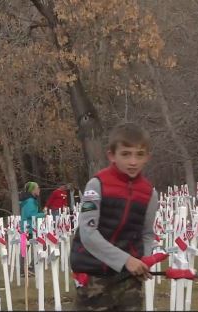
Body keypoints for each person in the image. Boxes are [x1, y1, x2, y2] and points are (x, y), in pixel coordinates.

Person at [70, 122, 159, 311]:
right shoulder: (97, 185)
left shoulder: (149, 194)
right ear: (112, 155)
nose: (133, 161)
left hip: (128, 280)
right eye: (126, 154)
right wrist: (126, 260)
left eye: (139, 154)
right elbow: (88, 233)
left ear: (147, 157)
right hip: (94, 276)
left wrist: (145, 259)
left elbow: (147, 234)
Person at [20, 181, 44, 276]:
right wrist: (43, 215)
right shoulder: (30, 201)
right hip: (29, 228)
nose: (39, 189)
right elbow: (31, 214)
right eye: (37, 188)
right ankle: (30, 268)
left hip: (25, 227)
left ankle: (26, 269)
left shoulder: (27, 200)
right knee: (41, 246)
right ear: (33, 190)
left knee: (24, 249)